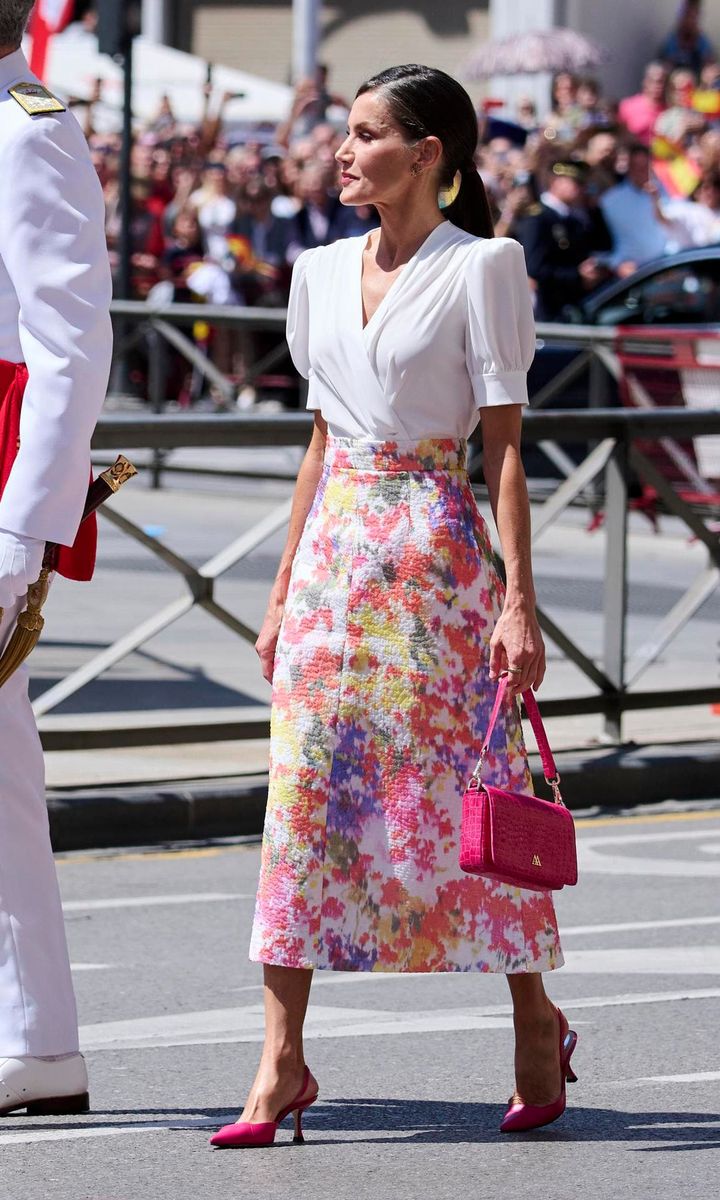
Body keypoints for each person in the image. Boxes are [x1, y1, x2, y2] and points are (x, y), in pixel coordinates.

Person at [210, 62, 575, 1150]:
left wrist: (518, 604)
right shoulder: (316, 270)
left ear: (430, 156)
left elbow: (506, 451)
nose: (343, 150)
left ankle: (533, 1022)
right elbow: (320, 436)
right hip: (335, 564)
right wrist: (280, 592)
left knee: (472, 800)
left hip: (437, 558)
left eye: (365, 135)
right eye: (343, 131)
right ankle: (280, 1062)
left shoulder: (486, 266)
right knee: (305, 797)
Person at [0, 6, 112, 1114]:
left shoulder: (25, 128)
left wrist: (22, 526)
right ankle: (35, 1041)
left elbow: (71, 337)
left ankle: (36, 1041)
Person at [514, 160, 611, 320]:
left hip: (574, 305)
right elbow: (534, 269)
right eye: (575, 182)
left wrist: (594, 209)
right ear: (555, 182)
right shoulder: (538, 218)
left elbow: (604, 245)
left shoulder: (575, 218)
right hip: (550, 308)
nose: (581, 189)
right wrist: (576, 275)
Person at [600, 143, 676, 275]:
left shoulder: (670, 190)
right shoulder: (610, 201)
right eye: (636, 167)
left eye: (645, 167)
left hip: (674, 265)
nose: (641, 172)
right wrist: (617, 263)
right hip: (638, 275)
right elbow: (604, 245)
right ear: (628, 168)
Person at [658, 0, 716, 77]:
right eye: (687, 15)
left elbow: (710, 67)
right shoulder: (671, 42)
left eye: (693, 17)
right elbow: (664, 67)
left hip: (696, 85)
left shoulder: (702, 42)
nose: (690, 21)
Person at [618, 62, 669, 145]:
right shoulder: (627, 106)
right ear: (645, 82)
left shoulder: (670, 109)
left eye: (662, 82)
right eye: (653, 81)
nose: (658, 86)